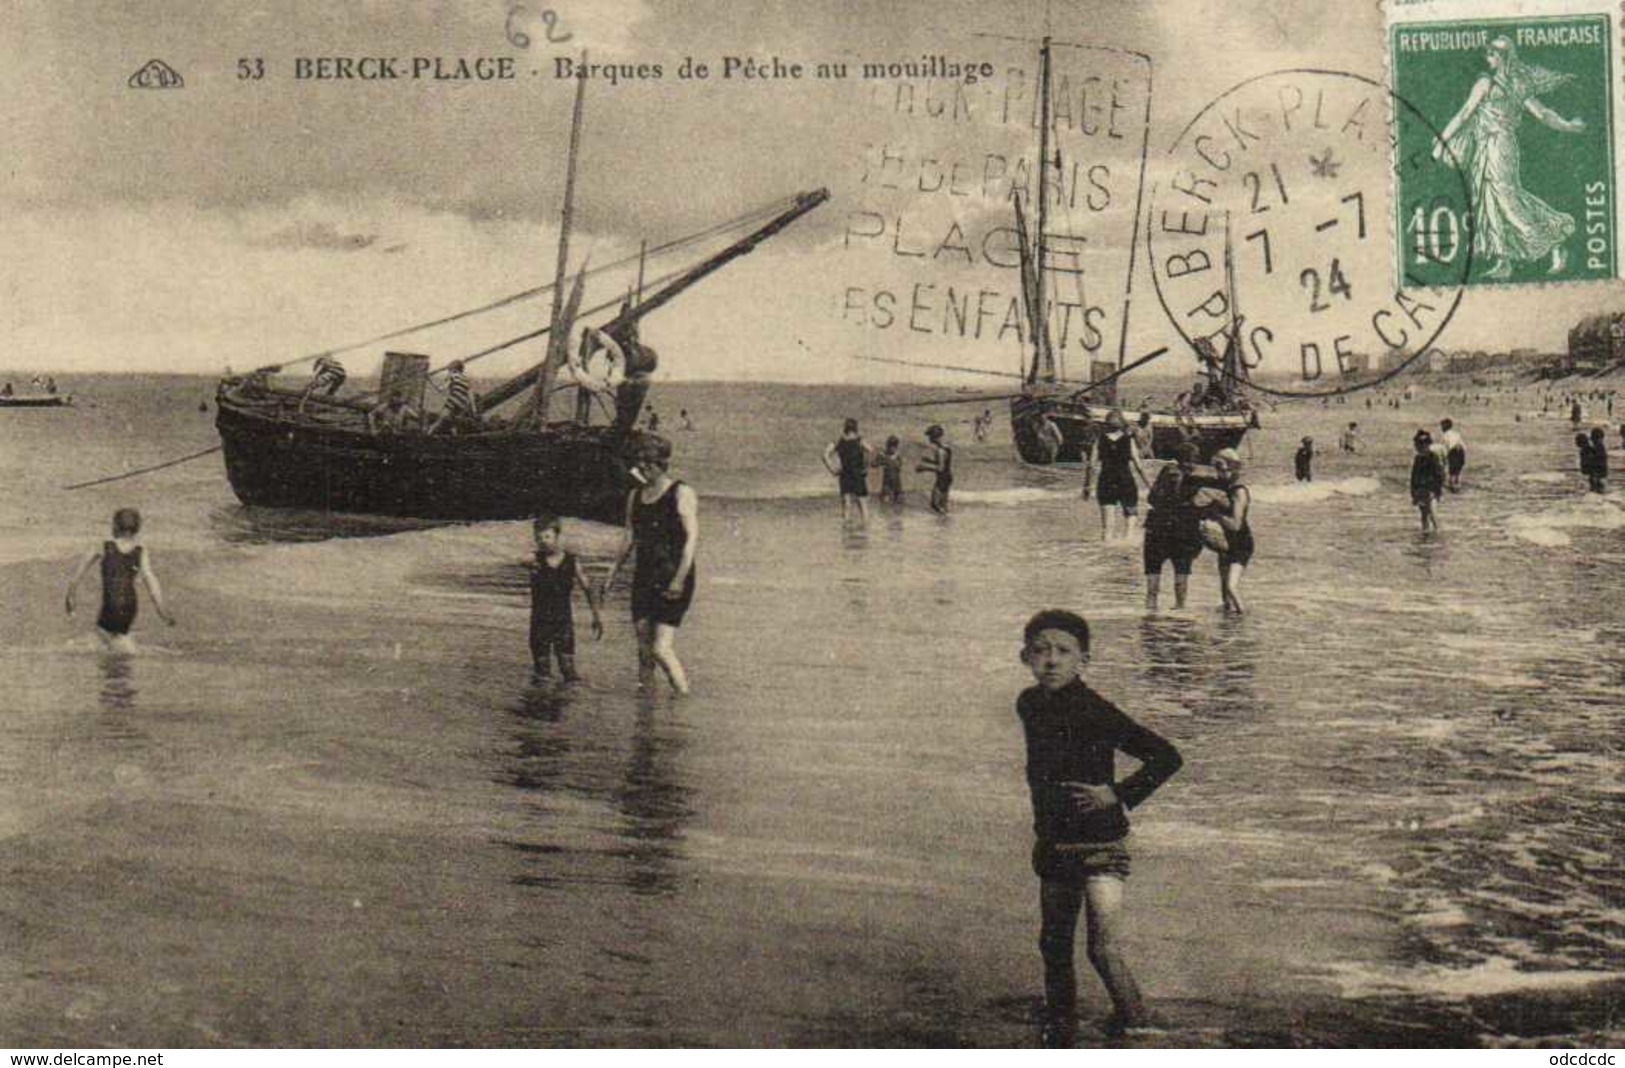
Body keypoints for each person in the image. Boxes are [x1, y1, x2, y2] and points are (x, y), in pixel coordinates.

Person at [1015, 609, 1182, 1046]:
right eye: (1041, 651)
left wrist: (1118, 793)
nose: (1051, 660)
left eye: (1064, 652)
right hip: (1053, 845)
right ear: (1025, 657)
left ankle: (1141, 1030)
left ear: (1083, 660)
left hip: (1100, 847)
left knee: (1101, 949)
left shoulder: (1094, 710)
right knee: (1053, 947)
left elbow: (1166, 756)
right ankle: (1060, 1033)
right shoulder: (1028, 703)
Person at [1432, 36, 1585, 280]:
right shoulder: (1515, 83)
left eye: (1492, 54)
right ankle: (1503, 261)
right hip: (1487, 146)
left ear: (1503, 57)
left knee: (1506, 198)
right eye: (1488, 54)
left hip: (1499, 145)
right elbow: (1543, 114)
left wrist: (1441, 140)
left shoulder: (1491, 83)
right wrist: (1568, 126)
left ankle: (1554, 241)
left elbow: (1464, 114)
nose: (1488, 58)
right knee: (1488, 199)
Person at [604, 438, 697, 694]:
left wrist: (679, 579)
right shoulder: (635, 496)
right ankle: (646, 713)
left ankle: (683, 699)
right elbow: (630, 536)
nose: (641, 467)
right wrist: (614, 570)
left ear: (661, 464)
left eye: (647, 462)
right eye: (639, 461)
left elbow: (691, 540)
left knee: (660, 648)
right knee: (644, 650)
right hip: (645, 575)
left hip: (673, 574)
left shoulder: (681, 492)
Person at [65, 508, 176, 651]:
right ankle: (125, 657)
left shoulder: (103, 546)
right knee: (116, 636)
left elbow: (78, 574)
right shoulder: (140, 550)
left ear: (115, 526)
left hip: (111, 603)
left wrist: (71, 594)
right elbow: (150, 579)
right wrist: (162, 610)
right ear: (137, 528)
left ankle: (124, 657)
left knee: (103, 637)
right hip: (130, 605)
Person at [527, 515, 602, 683]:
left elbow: (588, 588)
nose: (543, 541)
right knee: (542, 673)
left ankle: (569, 705)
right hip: (539, 623)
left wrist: (596, 617)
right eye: (539, 538)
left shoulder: (571, 561)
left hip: (563, 622)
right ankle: (539, 703)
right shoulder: (534, 560)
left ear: (557, 536)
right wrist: (525, 562)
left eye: (547, 537)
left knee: (569, 671)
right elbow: (518, 559)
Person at [1143, 442, 1205, 611]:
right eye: (1193, 460)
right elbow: (1197, 506)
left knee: (1152, 585)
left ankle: (1149, 620)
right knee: (1181, 578)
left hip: (1156, 530)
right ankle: (1179, 618)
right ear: (1186, 461)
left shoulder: (1165, 473)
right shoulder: (1191, 479)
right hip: (1182, 532)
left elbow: (1151, 499)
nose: (1194, 465)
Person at [1083, 411, 1149, 542]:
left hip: (1106, 481)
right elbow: (1139, 466)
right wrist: (1149, 484)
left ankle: (1105, 550)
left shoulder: (1099, 440)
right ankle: (1128, 540)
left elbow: (1091, 465)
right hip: (1126, 481)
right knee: (1131, 513)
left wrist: (1087, 485)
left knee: (1107, 527)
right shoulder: (1128, 441)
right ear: (1122, 424)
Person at [1209, 448, 1253, 613]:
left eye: (1221, 468)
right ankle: (1228, 631)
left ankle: (1244, 623)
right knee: (1224, 597)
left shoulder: (1238, 491)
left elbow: (1236, 524)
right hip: (1225, 543)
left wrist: (1216, 514)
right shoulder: (1225, 488)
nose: (1218, 473)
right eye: (1216, 468)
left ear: (1233, 468)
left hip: (1241, 543)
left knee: (1231, 587)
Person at [821, 417, 873, 522]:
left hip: (845, 473)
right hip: (858, 473)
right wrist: (866, 466)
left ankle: (845, 531)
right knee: (862, 504)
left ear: (845, 428)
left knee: (846, 505)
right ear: (856, 428)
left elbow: (825, 455)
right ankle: (865, 529)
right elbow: (871, 451)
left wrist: (833, 470)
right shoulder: (860, 440)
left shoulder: (839, 441)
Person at [429, 360, 479, 434]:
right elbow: (470, 395)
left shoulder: (452, 376)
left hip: (454, 400)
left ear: (453, 369)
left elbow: (441, 389)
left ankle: (428, 433)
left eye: (449, 369)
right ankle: (454, 437)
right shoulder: (466, 379)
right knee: (454, 422)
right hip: (463, 402)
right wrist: (474, 409)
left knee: (440, 419)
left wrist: (430, 381)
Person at [1411, 430, 1444, 533]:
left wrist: (1435, 490)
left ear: (1427, 444)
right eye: (1417, 445)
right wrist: (1414, 492)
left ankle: (1436, 532)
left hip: (1431, 490)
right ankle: (1426, 534)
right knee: (1424, 515)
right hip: (1421, 490)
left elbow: (1439, 475)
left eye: (1420, 445)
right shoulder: (1417, 459)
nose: (1418, 447)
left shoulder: (1433, 457)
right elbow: (1413, 477)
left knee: (1433, 513)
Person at [917, 424, 953, 515]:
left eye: (929, 436)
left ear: (934, 437)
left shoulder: (940, 451)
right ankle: (945, 521)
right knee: (943, 503)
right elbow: (944, 464)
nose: (929, 440)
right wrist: (929, 461)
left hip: (942, 479)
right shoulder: (946, 448)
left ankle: (943, 519)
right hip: (947, 477)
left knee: (935, 504)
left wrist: (924, 468)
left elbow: (940, 468)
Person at [872, 435, 905, 505]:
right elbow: (874, 464)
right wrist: (878, 461)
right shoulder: (883, 455)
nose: (892, 449)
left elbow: (899, 466)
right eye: (890, 447)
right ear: (887, 446)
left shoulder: (897, 455)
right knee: (885, 499)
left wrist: (888, 461)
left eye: (894, 447)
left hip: (896, 481)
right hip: (887, 481)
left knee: (899, 499)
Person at [1439, 418, 1466, 491]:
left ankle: (1453, 485)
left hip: (1453, 452)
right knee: (1457, 470)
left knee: (1452, 470)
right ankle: (1457, 483)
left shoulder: (1445, 435)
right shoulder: (1456, 434)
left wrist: (1443, 458)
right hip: (1461, 451)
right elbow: (1462, 445)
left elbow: (1445, 448)